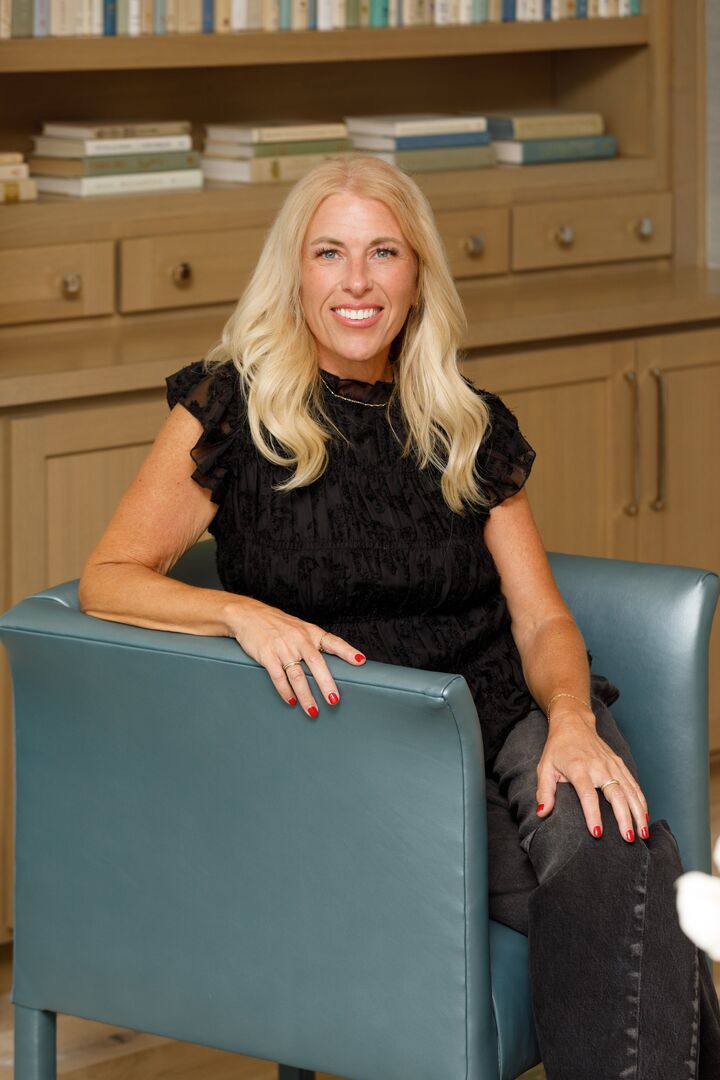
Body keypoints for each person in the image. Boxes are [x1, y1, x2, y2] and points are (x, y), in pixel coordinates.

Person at [78, 155, 720, 1078]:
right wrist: (240, 614)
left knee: (611, 841)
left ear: (417, 277)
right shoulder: (230, 410)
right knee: (630, 885)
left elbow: (542, 623)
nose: (357, 281)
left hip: (513, 716)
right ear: (294, 273)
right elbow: (109, 578)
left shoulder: (467, 423)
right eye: (329, 252)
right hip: (374, 749)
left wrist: (573, 722)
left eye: (384, 252)